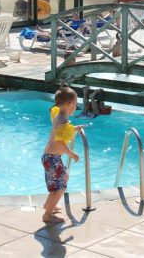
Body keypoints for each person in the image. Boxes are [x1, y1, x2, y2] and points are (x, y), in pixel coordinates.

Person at [41, 86, 84, 224]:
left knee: (57, 183)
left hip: (49, 157)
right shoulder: (63, 121)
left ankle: (48, 205)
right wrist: (72, 154)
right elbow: (59, 143)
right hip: (53, 158)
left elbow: (60, 132)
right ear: (68, 104)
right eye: (75, 103)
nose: (76, 107)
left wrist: (75, 129)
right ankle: (47, 215)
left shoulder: (59, 116)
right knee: (61, 186)